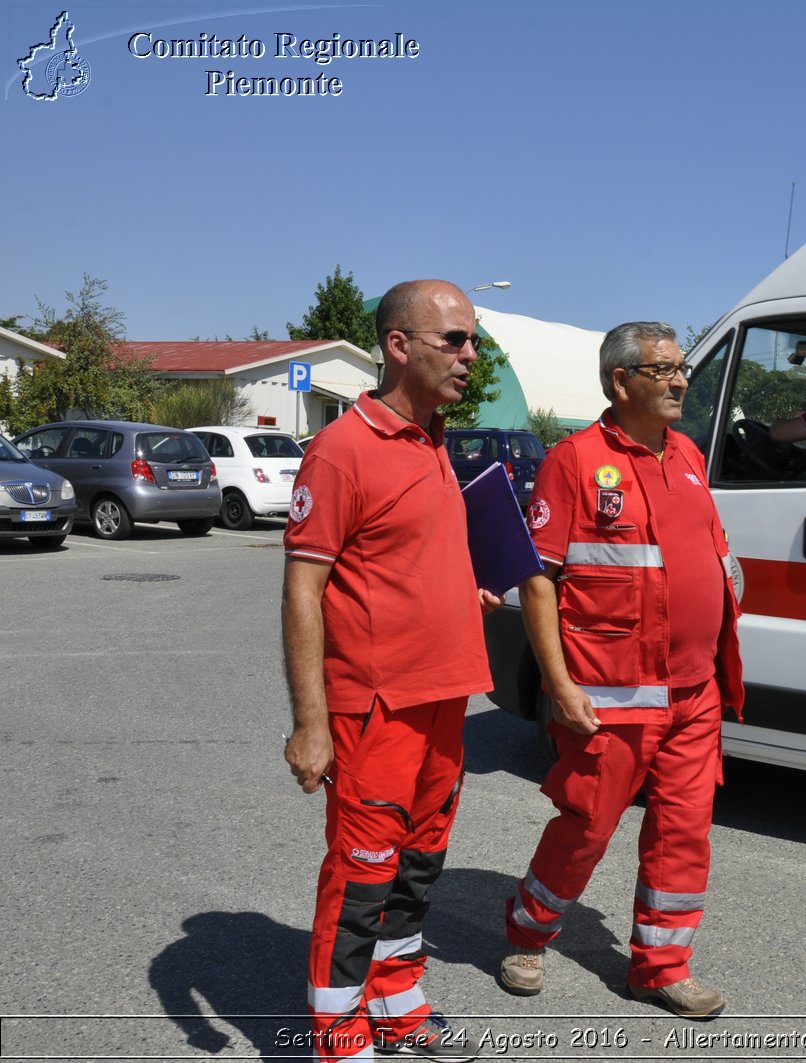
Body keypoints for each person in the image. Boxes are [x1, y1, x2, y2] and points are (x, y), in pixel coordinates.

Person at [501, 321, 743, 1020]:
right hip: (610, 696)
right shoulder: (574, 462)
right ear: (620, 381)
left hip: (694, 693)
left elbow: (712, 557)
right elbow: (537, 578)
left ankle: (660, 965)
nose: (679, 381)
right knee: (587, 827)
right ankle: (528, 928)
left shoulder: (690, 455)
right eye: (662, 369)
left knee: (684, 829)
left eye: (681, 369)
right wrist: (559, 682)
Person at [283, 279, 497, 1063]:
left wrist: (455, 590)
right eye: (455, 340)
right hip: (376, 708)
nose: (471, 356)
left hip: (445, 697)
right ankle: (339, 1041)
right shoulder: (342, 449)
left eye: (472, 340)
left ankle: (398, 1005)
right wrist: (311, 722)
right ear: (398, 346)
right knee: (361, 878)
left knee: (415, 869)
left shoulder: (436, 437)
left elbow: (402, 558)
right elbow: (303, 587)